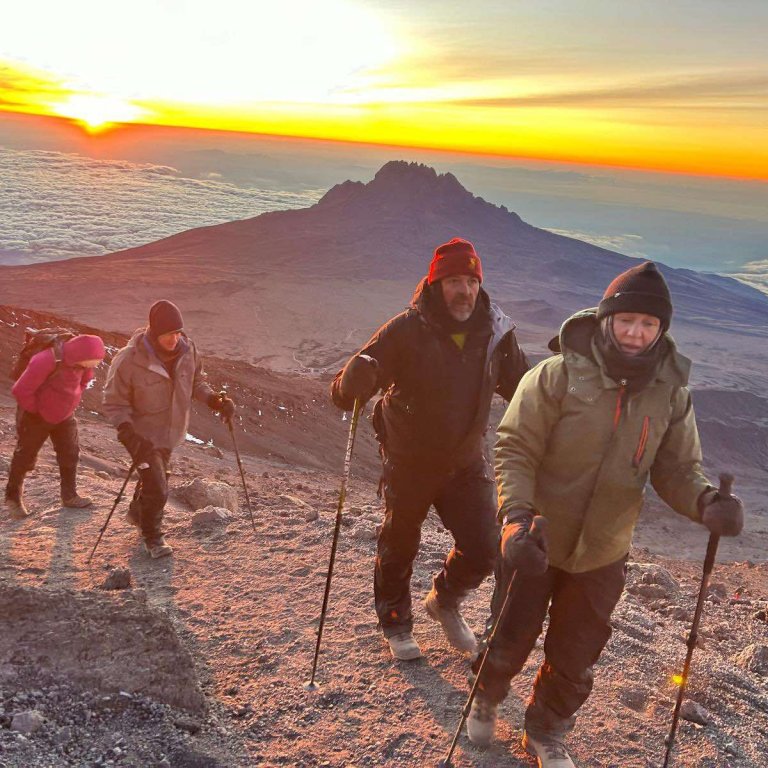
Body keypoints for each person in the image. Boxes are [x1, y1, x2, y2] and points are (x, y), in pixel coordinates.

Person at [466, 261, 745, 767]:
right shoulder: (556, 375)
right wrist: (516, 517)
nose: (636, 334)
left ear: (661, 329)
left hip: (603, 550)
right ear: (606, 319)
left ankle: (546, 730)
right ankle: (486, 694)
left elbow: (678, 469)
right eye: (626, 321)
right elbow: (515, 447)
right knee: (510, 632)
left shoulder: (670, 394)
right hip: (535, 536)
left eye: (649, 324)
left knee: (577, 653)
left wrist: (706, 502)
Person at [331, 238, 529, 660]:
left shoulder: (496, 333)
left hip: (464, 461)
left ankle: (443, 599)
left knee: (483, 547)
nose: (464, 290)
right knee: (399, 542)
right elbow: (348, 390)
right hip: (409, 460)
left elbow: (525, 389)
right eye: (454, 280)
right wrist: (351, 383)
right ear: (436, 284)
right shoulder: (406, 329)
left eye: (471, 280)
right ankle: (397, 621)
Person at [102, 300, 234, 558]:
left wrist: (213, 400)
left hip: (169, 432)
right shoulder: (130, 359)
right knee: (158, 487)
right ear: (154, 332)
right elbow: (114, 401)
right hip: (140, 435)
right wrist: (127, 432)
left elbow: (197, 381)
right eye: (168, 334)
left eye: (177, 333)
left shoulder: (188, 350)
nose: (174, 339)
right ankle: (152, 538)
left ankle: (137, 513)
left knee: (156, 477)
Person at [4, 334, 106, 518]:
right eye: (95, 360)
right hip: (36, 417)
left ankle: (69, 496)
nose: (97, 364)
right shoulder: (45, 360)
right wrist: (38, 410)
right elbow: (21, 390)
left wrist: (71, 401)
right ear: (82, 355)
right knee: (25, 456)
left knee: (70, 454)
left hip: (65, 416)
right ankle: (13, 499)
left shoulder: (82, 363)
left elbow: (84, 381)